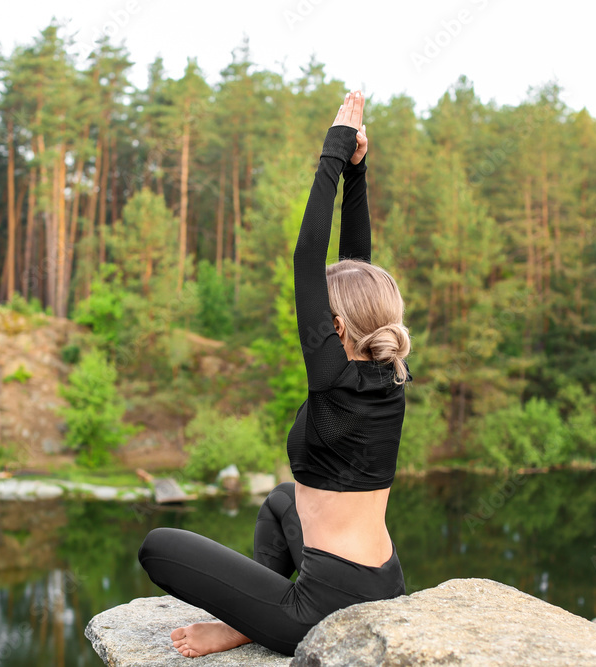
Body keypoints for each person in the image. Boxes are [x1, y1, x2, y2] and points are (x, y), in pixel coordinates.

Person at [137, 89, 412, 658]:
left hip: (330, 603)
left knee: (157, 546)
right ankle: (254, 612)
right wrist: (358, 175)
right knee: (281, 501)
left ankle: (261, 621)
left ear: (335, 326)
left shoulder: (332, 378)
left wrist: (335, 149)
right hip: (382, 579)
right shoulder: (388, 371)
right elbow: (356, 265)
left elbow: (306, 257)